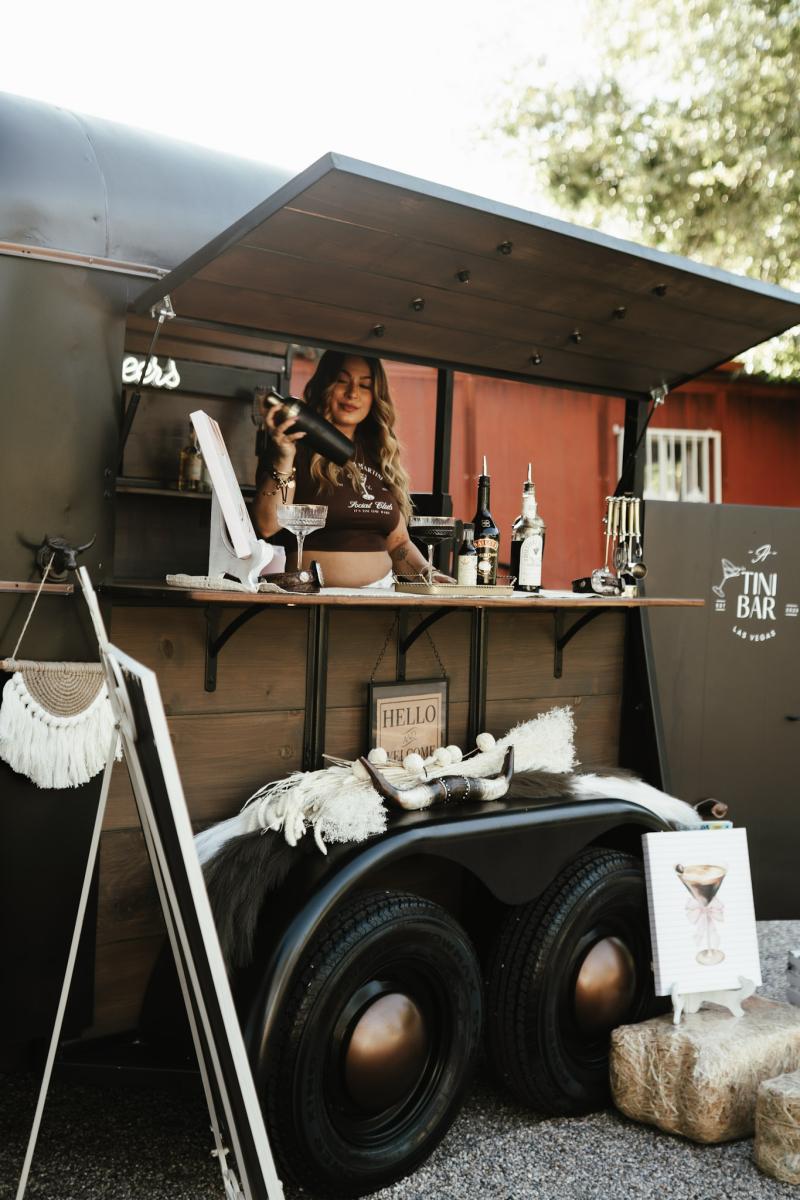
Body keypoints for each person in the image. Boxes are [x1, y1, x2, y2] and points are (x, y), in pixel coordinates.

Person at [252, 351, 453, 588]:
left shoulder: (380, 453)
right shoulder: (293, 446)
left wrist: (427, 573)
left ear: (375, 396)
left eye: (365, 385)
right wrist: (285, 457)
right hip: (314, 597)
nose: (353, 393)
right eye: (342, 381)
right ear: (325, 385)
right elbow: (267, 525)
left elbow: (399, 543)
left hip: (381, 597)